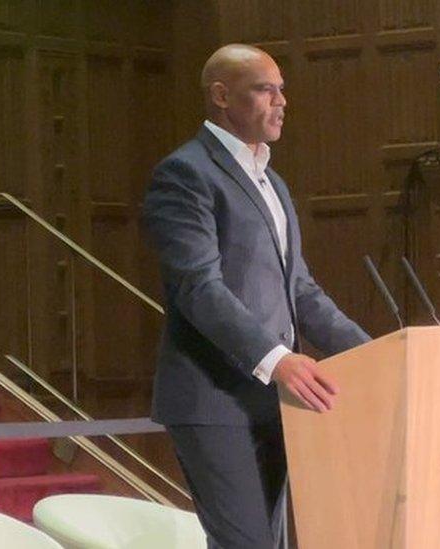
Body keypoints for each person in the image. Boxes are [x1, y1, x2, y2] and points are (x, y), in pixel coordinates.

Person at [142, 43, 370, 548]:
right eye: (266, 90)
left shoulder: (274, 183)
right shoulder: (185, 175)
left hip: (272, 401)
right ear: (222, 96)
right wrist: (279, 359)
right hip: (212, 399)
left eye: (282, 90)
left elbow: (301, 291)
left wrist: (374, 353)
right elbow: (198, 288)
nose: (281, 101)